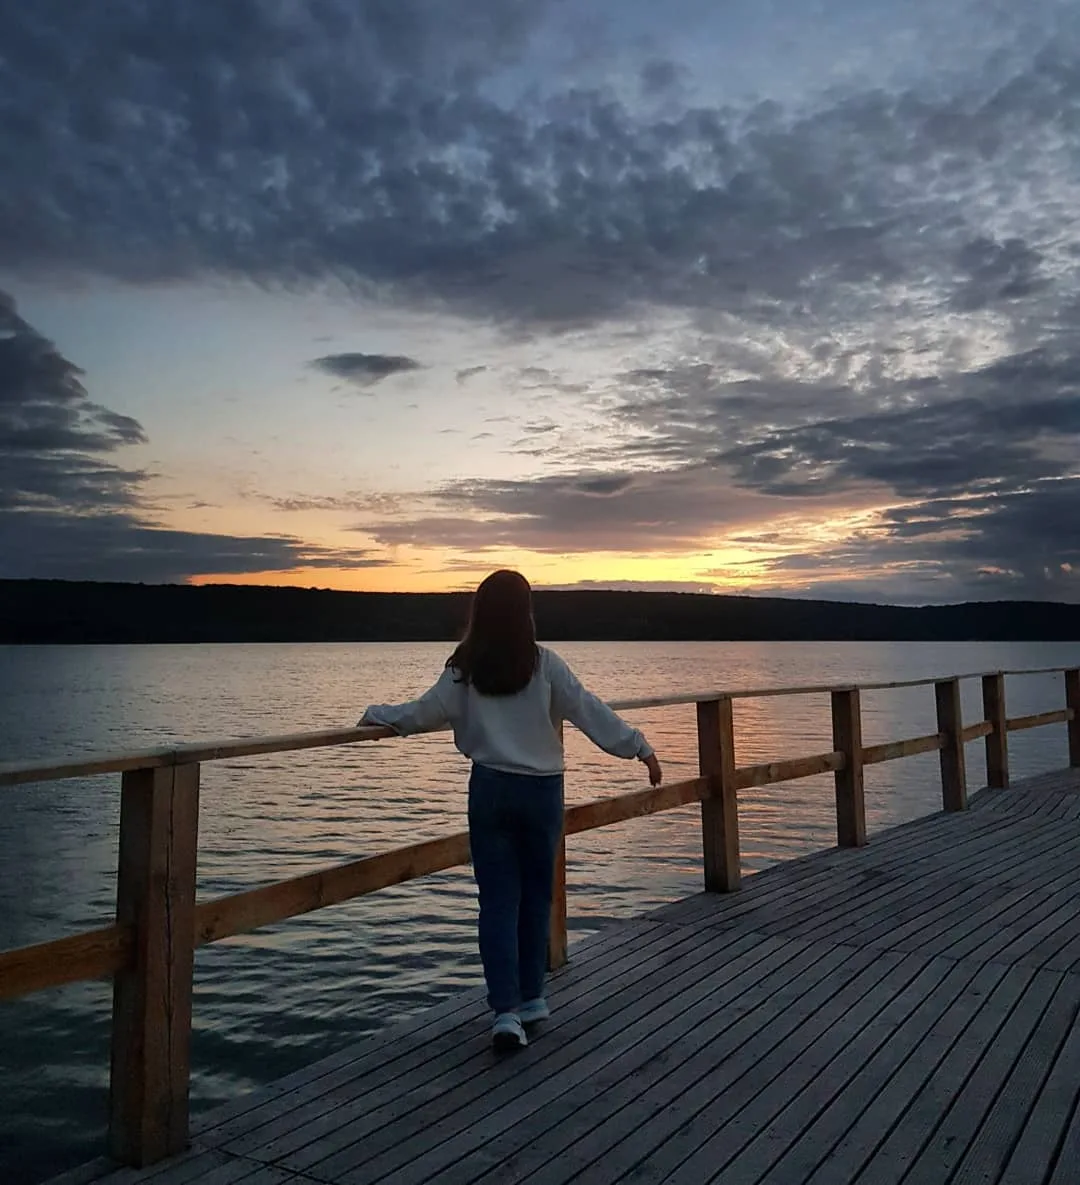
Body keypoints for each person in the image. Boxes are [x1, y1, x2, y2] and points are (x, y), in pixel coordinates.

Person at [358, 569, 662, 1051]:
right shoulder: (545, 665)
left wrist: (380, 713)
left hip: (492, 789)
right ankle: (532, 996)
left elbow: (423, 712)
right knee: (536, 896)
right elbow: (588, 710)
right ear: (526, 613)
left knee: (498, 902)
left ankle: (506, 1010)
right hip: (541, 792)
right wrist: (638, 748)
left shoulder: (465, 667)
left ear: (480, 611)